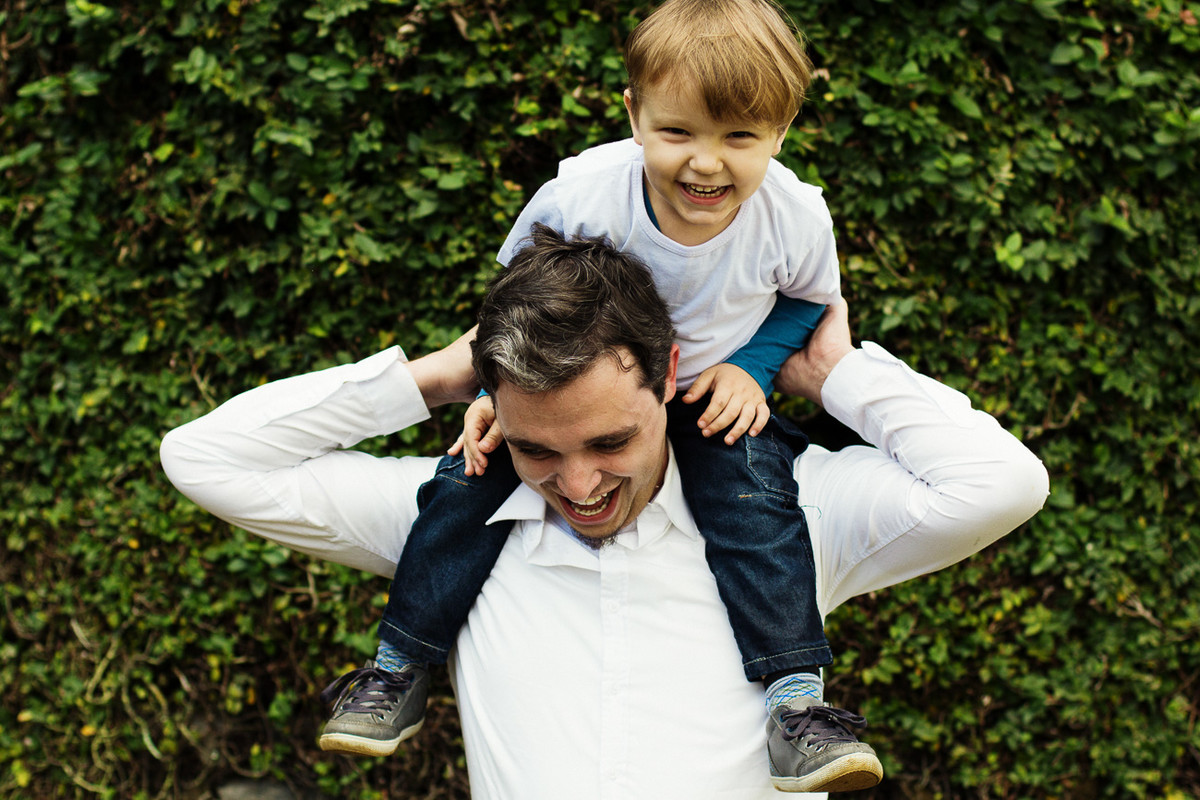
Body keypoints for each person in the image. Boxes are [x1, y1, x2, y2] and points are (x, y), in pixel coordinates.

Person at [160, 228, 1050, 799]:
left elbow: (1000, 484)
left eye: (610, 443)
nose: (579, 485)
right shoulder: (448, 520)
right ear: (495, 411)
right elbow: (204, 458)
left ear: (667, 379)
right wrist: (432, 376)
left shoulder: (792, 511)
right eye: (536, 449)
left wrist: (834, 376)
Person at [330, 0, 871, 790]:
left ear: (782, 131)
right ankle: (396, 668)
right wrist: (499, 390)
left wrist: (751, 368)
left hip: (709, 397)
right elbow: (513, 295)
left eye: (741, 138)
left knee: (758, 518)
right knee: (465, 489)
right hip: (579, 405)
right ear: (634, 114)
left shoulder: (793, 214)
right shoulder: (584, 191)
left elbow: (804, 300)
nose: (706, 164)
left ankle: (796, 705)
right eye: (678, 132)